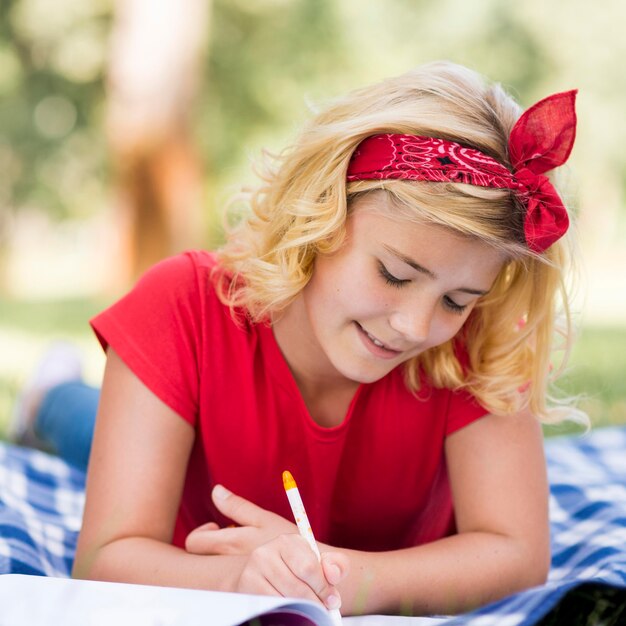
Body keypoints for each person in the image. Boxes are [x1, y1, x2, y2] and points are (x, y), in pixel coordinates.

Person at [13, 61, 584, 616]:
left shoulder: (479, 346)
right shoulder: (184, 308)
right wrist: (236, 578)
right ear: (321, 212)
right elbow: (106, 557)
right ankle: (50, 395)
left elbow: (518, 553)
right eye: (393, 274)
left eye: (457, 300)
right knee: (86, 427)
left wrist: (349, 578)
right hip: (197, 464)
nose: (415, 326)